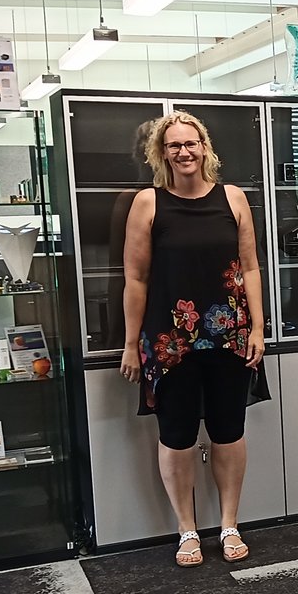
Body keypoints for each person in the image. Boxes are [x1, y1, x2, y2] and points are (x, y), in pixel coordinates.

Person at [120, 111, 267, 567]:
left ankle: (228, 525)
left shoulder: (234, 198)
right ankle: (186, 530)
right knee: (177, 436)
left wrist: (258, 328)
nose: (183, 152)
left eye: (190, 143)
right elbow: (136, 277)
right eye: (173, 146)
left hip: (229, 337)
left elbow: (250, 269)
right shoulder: (148, 203)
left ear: (205, 147)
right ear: (160, 154)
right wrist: (130, 344)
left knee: (229, 431)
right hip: (169, 342)